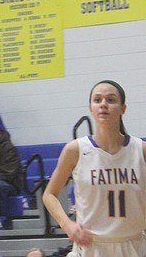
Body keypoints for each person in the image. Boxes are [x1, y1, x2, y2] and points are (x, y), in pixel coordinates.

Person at [43, 79, 146, 256]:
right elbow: (49, 194)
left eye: (111, 100)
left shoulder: (140, 150)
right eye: (97, 100)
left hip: (134, 244)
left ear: (123, 109)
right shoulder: (76, 149)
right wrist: (68, 225)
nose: (103, 104)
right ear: (91, 108)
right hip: (92, 246)